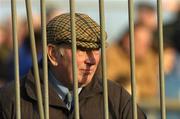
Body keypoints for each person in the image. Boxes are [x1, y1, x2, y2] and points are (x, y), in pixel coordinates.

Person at [0, 13, 146, 119]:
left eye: (96, 50)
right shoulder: (11, 99)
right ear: (53, 54)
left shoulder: (116, 98)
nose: (92, 60)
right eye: (81, 50)